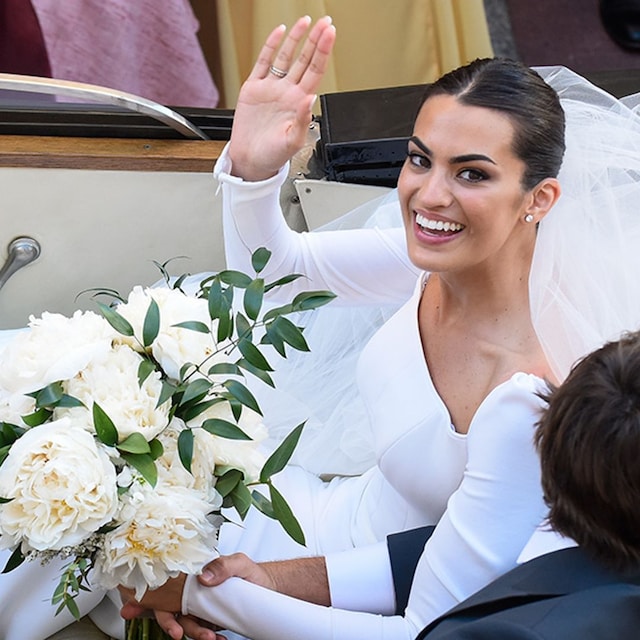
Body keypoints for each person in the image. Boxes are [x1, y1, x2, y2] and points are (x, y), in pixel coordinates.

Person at [117, 14, 640, 640]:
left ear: (541, 198)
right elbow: (277, 279)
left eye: (471, 173)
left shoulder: (538, 397)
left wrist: (215, 596)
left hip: (369, 603)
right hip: (319, 521)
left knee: (92, 561)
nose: (428, 195)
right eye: (420, 160)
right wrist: (254, 172)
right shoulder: (438, 258)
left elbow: (426, 622)